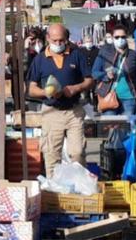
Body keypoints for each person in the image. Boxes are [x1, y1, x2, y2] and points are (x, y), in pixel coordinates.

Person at [27, 23, 94, 176]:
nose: (58, 44)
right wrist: (45, 92)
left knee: (77, 152)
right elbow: (31, 88)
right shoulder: (40, 59)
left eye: (61, 40)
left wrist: (75, 88)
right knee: (51, 155)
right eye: (55, 40)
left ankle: (78, 187)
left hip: (73, 111)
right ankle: (53, 190)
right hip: (51, 111)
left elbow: (89, 81)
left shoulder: (77, 55)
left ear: (67, 39)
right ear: (48, 38)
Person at [92, 27, 136, 117]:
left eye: (123, 37)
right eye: (117, 37)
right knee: (110, 128)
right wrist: (105, 76)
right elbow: (94, 73)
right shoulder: (104, 52)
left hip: (129, 98)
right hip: (108, 96)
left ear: (126, 38)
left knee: (127, 127)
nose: (120, 39)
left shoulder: (133, 55)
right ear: (112, 38)